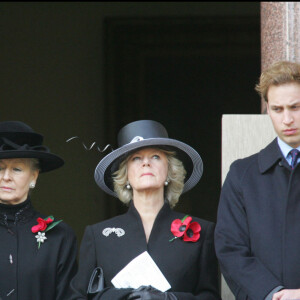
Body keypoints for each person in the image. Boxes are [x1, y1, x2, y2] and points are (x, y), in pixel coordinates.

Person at [70, 120, 221, 300]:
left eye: (156, 156)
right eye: (136, 158)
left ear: (169, 170)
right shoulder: (97, 235)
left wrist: (170, 299)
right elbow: (77, 297)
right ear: (125, 175)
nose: (146, 163)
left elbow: (210, 297)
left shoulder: (202, 232)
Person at [214, 61, 300, 300]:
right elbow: (230, 249)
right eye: (278, 109)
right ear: (268, 110)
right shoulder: (242, 175)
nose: (287, 119)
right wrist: (274, 294)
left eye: (295, 107)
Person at [0, 120, 78, 300]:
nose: (6, 177)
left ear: (33, 176)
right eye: (0, 168)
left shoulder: (59, 236)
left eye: (17, 169)